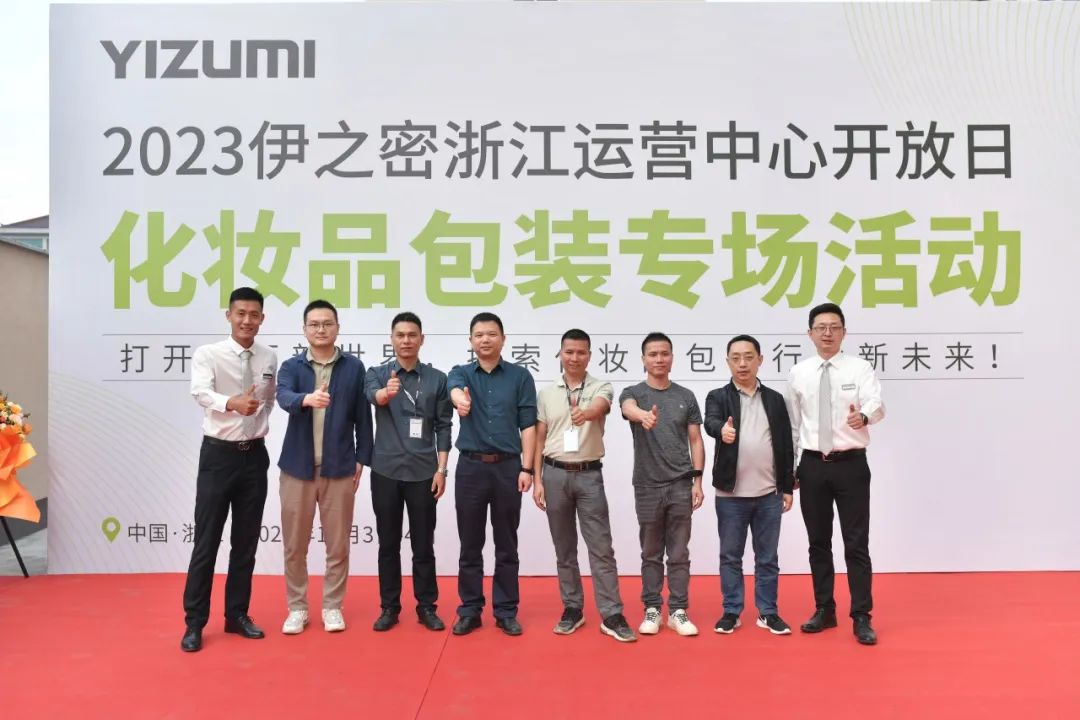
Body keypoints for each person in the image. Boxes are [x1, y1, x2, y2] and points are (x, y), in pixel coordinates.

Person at [182, 287, 277, 652]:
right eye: (241, 313)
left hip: (254, 457)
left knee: (246, 543)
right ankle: (194, 622)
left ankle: (236, 615)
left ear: (262, 318)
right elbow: (200, 392)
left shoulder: (268, 356)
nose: (247, 320)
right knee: (206, 542)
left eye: (254, 315)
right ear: (229, 315)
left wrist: (255, 421)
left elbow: (268, 399)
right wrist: (232, 403)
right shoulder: (208, 354)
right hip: (218, 457)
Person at [787, 302, 885, 646]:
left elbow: (876, 403)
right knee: (818, 542)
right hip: (813, 464)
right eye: (821, 327)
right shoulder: (799, 372)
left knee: (856, 542)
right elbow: (794, 426)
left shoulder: (859, 367)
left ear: (844, 332)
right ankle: (824, 609)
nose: (827, 333)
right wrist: (792, 468)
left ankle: (861, 615)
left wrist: (865, 417)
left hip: (851, 464)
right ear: (810, 333)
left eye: (834, 327)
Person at [275, 299, 373, 635]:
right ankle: (297, 607)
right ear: (304, 329)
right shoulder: (292, 366)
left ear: (337, 328)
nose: (321, 329)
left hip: (339, 468)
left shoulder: (353, 367)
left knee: (338, 544)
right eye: (314, 324)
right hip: (297, 469)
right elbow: (283, 396)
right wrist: (307, 399)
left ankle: (332, 606)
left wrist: (362, 458)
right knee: (294, 545)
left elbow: (363, 417)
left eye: (327, 323)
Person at [532, 329, 636, 643]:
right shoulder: (547, 393)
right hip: (553, 474)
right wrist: (537, 479)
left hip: (589, 475)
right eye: (569, 352)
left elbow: (601, 407)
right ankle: (572, 608)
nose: (574, 357)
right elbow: (539, 437)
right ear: (560, 354)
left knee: (601, 548)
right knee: (564, 548)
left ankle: (612, 613)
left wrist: (586, 413)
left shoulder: (601, 386)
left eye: (581, 352)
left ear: (589, 356)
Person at [447, 312, 537, 636]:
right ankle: (470, 610)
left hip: (508, 468)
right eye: (479, 335)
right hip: (470, 468)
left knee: (506, 543)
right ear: (471, 341)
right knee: (470, 544)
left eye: (491, 334)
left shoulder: (520, 376)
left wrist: (527, 467)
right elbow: (453, 389)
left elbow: (528, 425)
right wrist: (460, 400)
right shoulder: (461, 373)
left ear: (503, 338)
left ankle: (506, 610)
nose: (485, 339)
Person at [364, 311, 452, 632]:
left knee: (423, 545)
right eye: (400, 335)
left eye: (412, 335)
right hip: (386, 471)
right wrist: (384, 394)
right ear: (391, 339)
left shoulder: (437, 379)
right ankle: (389, 607)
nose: (406, 340)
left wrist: (442, 469)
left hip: (424, 473)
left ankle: (426, 606)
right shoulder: (377, 373)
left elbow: (444, 426)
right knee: (388, 544)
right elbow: (372, 396)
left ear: (421, 339)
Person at [704, 334, 795, 636]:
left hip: (769, 494)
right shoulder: (718, 397)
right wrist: (722, 430)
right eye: (736, 358)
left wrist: (786, 486)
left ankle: (768, 612)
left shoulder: (775, 399)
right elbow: (710, 422)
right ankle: (731, 612)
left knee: (767, 558)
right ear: (728, 362)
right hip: (730, 494)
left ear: (760, 360)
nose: (742, 363)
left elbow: (785, 444)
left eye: (748, 357)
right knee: (730, 557)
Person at [618, 332, 705, 637]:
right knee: (651, 552)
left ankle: (678, 611)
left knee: (679, 553)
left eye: (664, 354)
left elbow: (696, 440)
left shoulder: (685, 396)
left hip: (681, 483)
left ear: (672, 358)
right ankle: (652, 608)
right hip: (647, 486)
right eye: (652, 354)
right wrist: (642, 415)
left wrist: (697, 481)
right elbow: (626, 407)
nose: (659, 359)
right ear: (643, 359)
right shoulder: (634, 393)